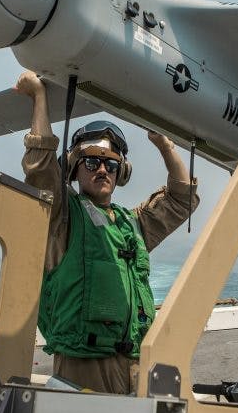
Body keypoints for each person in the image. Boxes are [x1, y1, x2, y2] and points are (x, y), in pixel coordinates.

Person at [15, 70, 199, 394]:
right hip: (82, 368)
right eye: (92, 163)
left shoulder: (133, 224)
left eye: (111, 164)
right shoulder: (64, 217)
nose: (102, 169)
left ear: (121, 172)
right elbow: (41, 170)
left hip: (136, 366)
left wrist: (165, 144)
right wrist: (39, 98)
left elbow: (181, 199)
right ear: (73, 168)